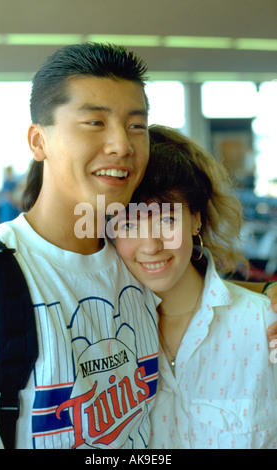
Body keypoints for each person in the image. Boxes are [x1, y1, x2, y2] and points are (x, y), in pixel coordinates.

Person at [0, 43, 160, 449]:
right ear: (38, 141)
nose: (122, 146)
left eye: (136, 126)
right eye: (95, 122)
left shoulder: (148, 264)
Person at [113, 124, 277, 449]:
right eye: (128, 224)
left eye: (166, 220)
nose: (150, 246)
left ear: (196, 218)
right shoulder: (104, 335)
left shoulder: (263, 322)